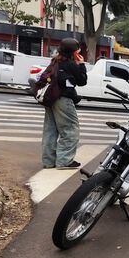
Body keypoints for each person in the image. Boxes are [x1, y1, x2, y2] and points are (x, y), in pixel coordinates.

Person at [40, 38, 87, 169]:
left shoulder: (54, 61)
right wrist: (81, 64)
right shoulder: (70, 64)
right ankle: (64, 161)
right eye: (77, 51)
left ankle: (48, 161)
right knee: (70, 130)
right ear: (74, 52)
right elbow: (82, 81)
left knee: (50, 130)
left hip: (50, 99)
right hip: (63, 99)